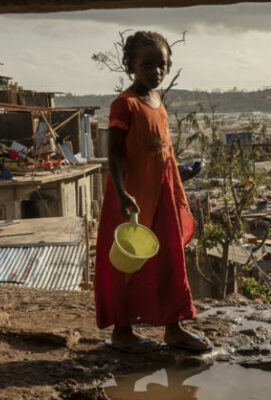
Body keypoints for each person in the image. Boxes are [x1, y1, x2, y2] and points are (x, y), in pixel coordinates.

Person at [94, 31, 211, 354]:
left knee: (170, 261)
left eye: (161, 65)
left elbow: (162, 152)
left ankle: (174, 328)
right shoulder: (124, 104)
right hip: (131, 200)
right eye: (147, 65)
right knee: (127, 267)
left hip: (161, 197)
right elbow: (114, 155)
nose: (155, 72)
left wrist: (179, 179)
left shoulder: (157, 101)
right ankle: (122, 331)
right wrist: (121, 194)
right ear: (131, 64)